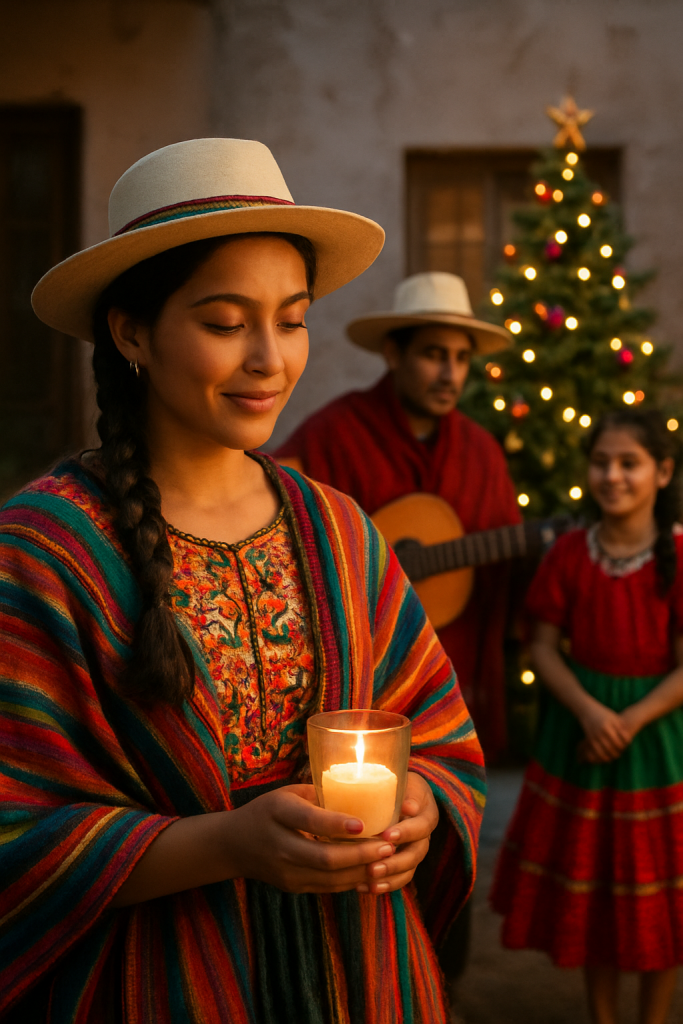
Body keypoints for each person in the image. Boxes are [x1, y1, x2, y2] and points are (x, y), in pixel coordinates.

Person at [0, 138, 485, 1024]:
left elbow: (441, 735)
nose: (270, 357)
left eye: (292, 319)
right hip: (154, 984)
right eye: (226, 323)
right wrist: (224, 843)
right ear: (132, 330)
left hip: (363, 977)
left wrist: (418, 804)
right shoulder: (44, 551)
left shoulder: (340, 531)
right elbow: (14, 826)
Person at [276, 271, 519, 762]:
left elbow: (510, 566)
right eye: (434, 355)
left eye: (461, 358)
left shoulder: (481, 451)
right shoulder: (336, 431)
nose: (450, 374)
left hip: (453, 667)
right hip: (363, 668)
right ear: (394, 354)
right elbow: (271, 501)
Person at [491, 408, 683, 1024]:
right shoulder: (570, 554)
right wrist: (591, 711)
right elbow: (541, 646)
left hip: (659, 746)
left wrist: (630, 720)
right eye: (601, 462)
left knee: (660, 897)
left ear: (663, 472)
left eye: (630, 463)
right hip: (580, 736)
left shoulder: (676, 556)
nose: (613, 475)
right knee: (600, 892)